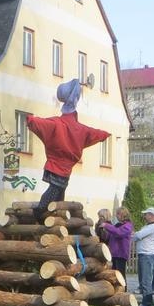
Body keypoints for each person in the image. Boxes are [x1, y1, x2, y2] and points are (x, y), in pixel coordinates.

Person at [27, 78, 111, 211]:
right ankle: (39, 213)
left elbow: (35, 122)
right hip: (61, 169)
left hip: (54, 166)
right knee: (53, 196)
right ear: (76, 99)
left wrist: (30, 119)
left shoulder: (56, 124)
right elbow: (92, 133)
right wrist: (105, 134)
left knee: (57, 198)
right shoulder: (77, 129)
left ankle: (45, 215)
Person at [133, 207, 154, 306]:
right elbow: (137, 235)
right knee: (143, 280)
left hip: (147, 255)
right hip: (144, 255)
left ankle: (147, 304)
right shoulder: (148, 226)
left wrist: (136, 234)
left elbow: (138, 235)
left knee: (146, 280)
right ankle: (146, 302)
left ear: (151, 215)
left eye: (146, 214)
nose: (145, 216)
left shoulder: (153, 227)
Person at [100, 207, 133, 288]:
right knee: (114, 274)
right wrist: (103, 231)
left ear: (123, 214)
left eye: (118, 214)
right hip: (114, 254)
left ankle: (123, 292)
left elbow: (119, 233)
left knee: (121, 275)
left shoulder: (128, 226)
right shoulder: (117, 225)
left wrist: (107, 225)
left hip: (121, 254)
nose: (116, 215)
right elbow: (110, 236)